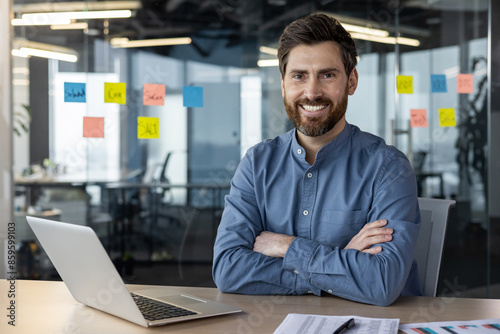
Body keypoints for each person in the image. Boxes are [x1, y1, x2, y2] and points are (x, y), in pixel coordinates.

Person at [212, 13, 422, 306]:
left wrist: (287, 247)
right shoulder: (257, 163)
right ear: (284, 84)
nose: (312, 92)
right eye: (299, 76)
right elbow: (228, 270)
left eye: (327, 75)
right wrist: (341, 264)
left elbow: (381, 283)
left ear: (351, 81)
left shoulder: (388, 168)